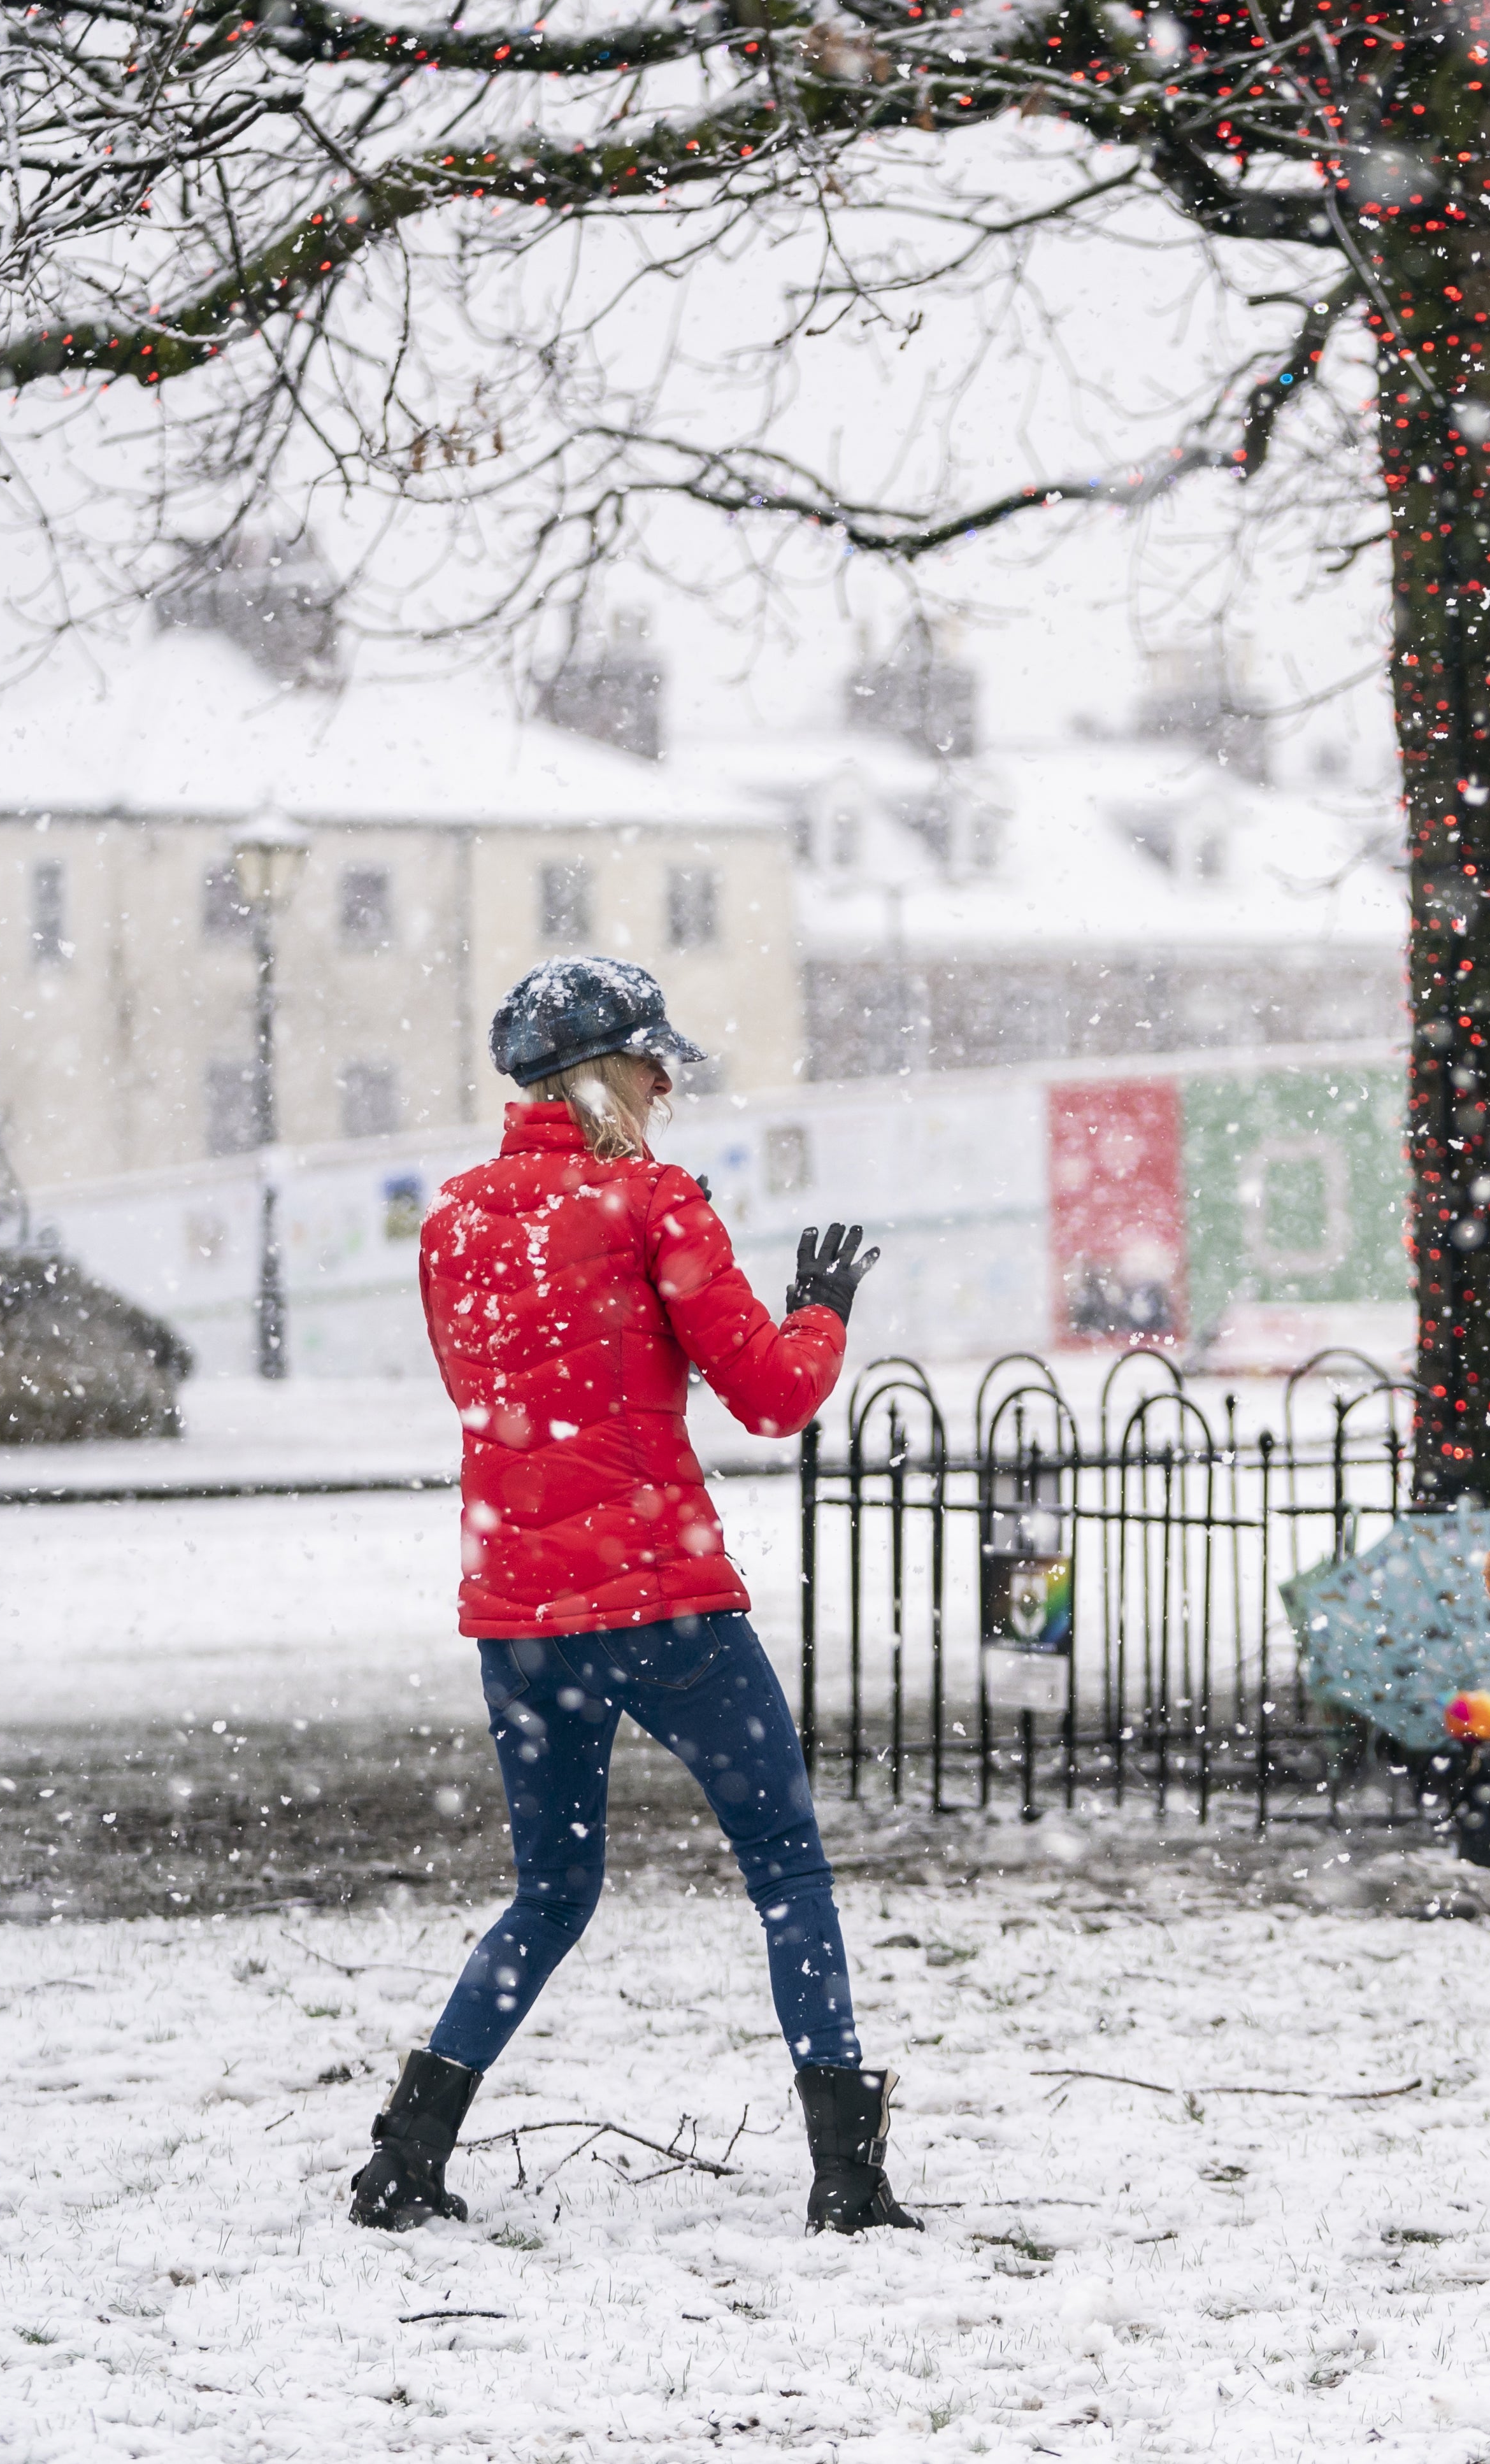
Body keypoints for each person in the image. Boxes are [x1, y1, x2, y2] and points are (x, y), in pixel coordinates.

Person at [347, 955, 915, 2235]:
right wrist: (819, 1314)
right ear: (607, 1072)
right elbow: (771, 1393)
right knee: (784, 1862)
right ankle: (847, 2171)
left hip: (520, 1619)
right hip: (668, 1609)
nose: (671, 1078)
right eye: (655, 1058)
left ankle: (408, 2153)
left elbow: (485, 1396)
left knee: (551, 1891)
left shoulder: (454, 1223)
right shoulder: (652, 1199)